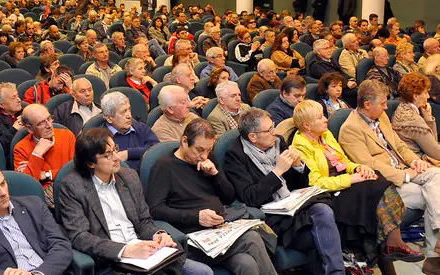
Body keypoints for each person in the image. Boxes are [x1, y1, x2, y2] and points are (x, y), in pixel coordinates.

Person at [291, 100, 425, 270]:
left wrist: (358, 167)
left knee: (378, 180)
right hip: (328, 193)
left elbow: (344, 161)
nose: (326, 119)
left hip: (345, 182)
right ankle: (393, 244)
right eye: (320, 118)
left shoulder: (325, 135)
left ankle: (392, 244)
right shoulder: (300, 145)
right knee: (376, 189)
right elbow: (316, 183)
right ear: (307, 126)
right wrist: (351, 179)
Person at [59, 127, 212, 274]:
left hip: (145, 249)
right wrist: (125, 250)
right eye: (107, 155)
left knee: (203, 271)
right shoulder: (72, 187)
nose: (116, 157)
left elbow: (144, 220)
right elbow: (80, 236)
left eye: (115, 149)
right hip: (110, 259)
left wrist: (157, 234)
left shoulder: (129, 177)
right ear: (90, 163)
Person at [146, 119, 278, 273]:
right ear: (184, 141)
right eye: (199, 150)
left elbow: (229, 198)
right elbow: (155, 210)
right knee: (252, 238)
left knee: (246, 263)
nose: (204, 156)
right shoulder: (164, 166)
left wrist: (215, 174)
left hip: (219, 231)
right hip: (191, 237)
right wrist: (196, 216)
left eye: (208, 150)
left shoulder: (209, 159)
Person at [225, 107, 344, 275]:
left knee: (323, 210)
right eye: (269, 130)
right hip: (273, 218)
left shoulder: (279, 141)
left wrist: (298, 166)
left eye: (273, 126)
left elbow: (301, 183)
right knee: (323, 234)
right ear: (253, 137)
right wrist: (277, 172)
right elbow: (250, 197)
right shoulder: (235, 155)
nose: (274, 132)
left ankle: (337, 273)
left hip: (294, 206)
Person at [339, 80, 440, 272]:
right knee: (434, 194)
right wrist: (404, 175)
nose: (386, 107)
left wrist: (413, 161)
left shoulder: (382, 116)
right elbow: (369, 165)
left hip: (405, 168)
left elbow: (399, 145)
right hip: (388, 183)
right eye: (383, 103)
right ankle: (435, 259)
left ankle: (436, 256)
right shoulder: (350, 129)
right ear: (367, 104)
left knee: (437, 177)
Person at [14, 104, 76, 207]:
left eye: (49, 118)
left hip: (71, 190)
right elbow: (26, 186)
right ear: (29, 129)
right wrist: (37, 154)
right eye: (41, 123)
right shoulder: (21, 148)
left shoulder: (67, 136)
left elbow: (76, 170)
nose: (49, 125)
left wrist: (46, 174)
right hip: (44, 201)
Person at [100, 91, 159, 170]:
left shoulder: (141, 128)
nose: (129, 116)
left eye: (129, 110)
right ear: (109, 118)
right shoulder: (100, 138)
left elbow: (157, 150)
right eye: (123, 112)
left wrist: (128, 153)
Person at [392, 72, 440, 162]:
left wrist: (428, 117)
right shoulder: (414, 121)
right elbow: (436, 153)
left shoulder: (402, 107)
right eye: (425, 93)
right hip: (418, 163)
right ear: (416, 96)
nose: (428, 96)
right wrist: (429, 119)